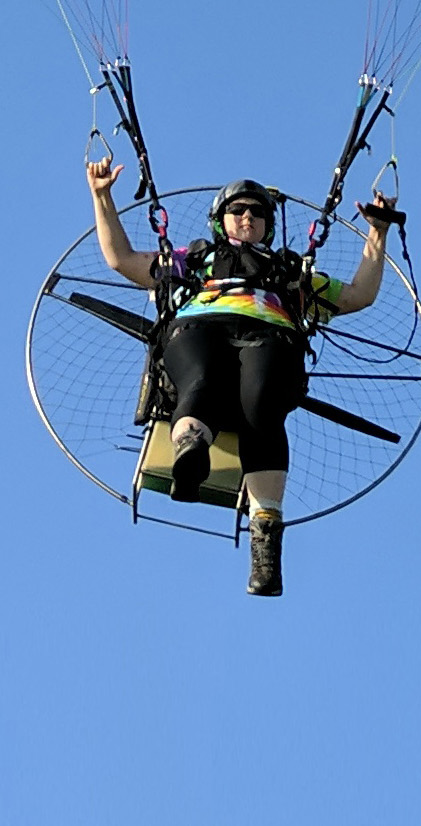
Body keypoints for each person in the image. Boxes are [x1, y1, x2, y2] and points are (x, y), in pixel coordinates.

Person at [85, 157, 394, 596]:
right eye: (238, 210)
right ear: (220, 221)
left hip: (271, 336)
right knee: (202, 377)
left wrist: (377, 232)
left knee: (262, 401)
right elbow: (121, 259)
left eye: (257, 211)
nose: (247, 216)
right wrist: (102, 197)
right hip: (198, 327)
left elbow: (359, 294)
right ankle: (191, 450)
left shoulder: (292, 275)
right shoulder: (191, 261)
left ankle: (265, 536)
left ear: (268, 224)